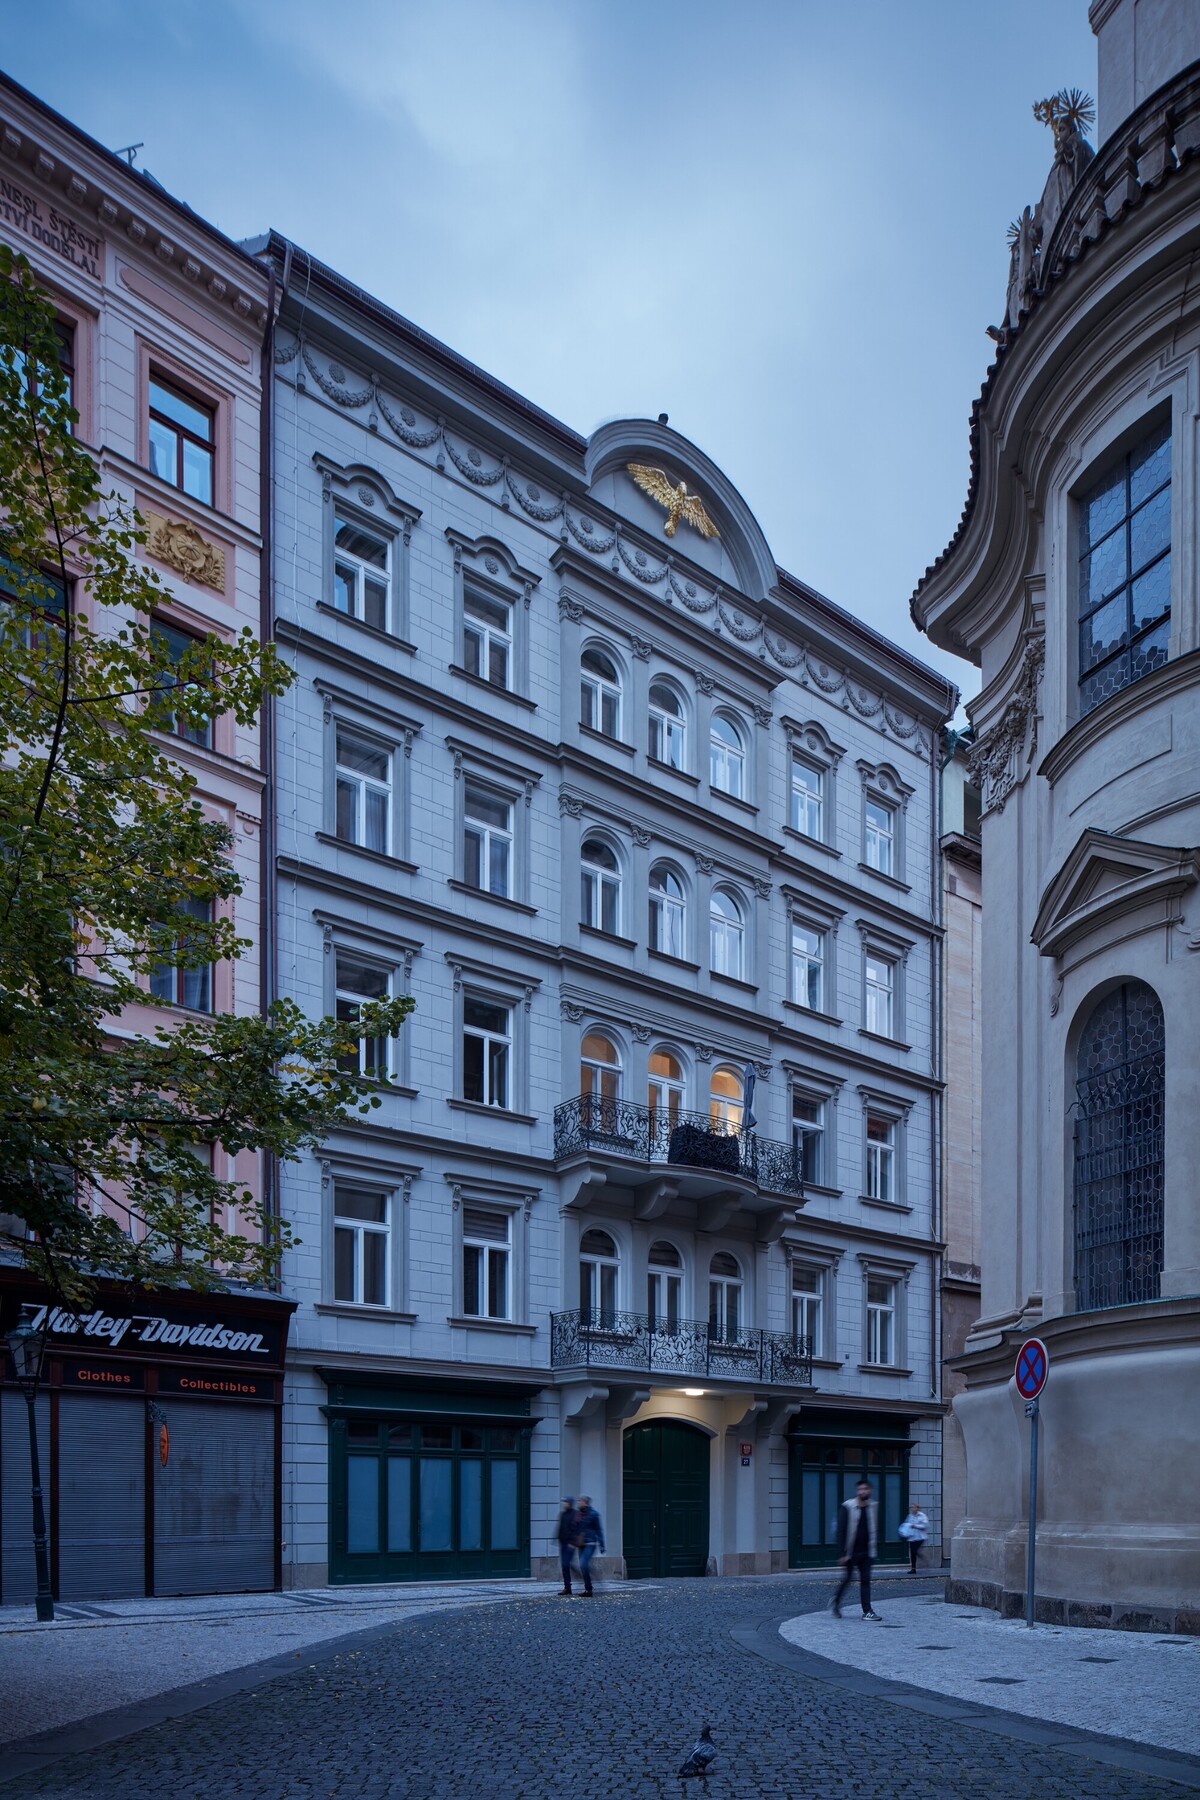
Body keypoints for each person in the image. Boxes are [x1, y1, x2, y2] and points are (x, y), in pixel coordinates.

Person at [831, 1478, 881, 1620]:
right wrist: (842, 1553)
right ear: (857, 1491)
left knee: (865, 1581)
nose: (863, 1491)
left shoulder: (873, 1506)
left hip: (867, 1551)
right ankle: (836, 1602)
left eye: (865, 1489)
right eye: (860, 1489)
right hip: (851, 1552)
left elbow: (875, 1527)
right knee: (848, 1579)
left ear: (869, 1491)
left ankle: (867, 1611)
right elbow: (841, 1531)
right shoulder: (848, 1507)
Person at [574, 1495, 605, 1596]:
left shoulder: (593, 1514)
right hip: (581, 1543)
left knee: (583, 1564)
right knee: (583, 1566)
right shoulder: (578, 1514)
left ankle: (590, 1586)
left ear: (585, 1502)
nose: (578, 1502)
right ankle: (588, 1589)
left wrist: (602, 1544)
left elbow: (598, 1530)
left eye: (580, 1501)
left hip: (590, 1543)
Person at [556, 1497, 578, 1596]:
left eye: (565, 1502)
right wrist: (558, 1539)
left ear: (570, 1503)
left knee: (566, 1564)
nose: (564, 1504)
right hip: (563, 1543)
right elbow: (560, 1528)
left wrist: (573, 1543)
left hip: (570, 1544)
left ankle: (576, 1577)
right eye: (563, 1502)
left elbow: (577, 1529)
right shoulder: (563, 1514)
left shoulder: (575, 1514)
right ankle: (567, 1587)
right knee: (564, 1565)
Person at [901, 1500, 929, 1574]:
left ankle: (922, 1558)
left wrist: (915, 1526)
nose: (912, 1509)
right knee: (912, 1553)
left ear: (918, 1508)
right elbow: (907, 1524)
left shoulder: (922, 1516)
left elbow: (925, 1526)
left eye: (914, 1507)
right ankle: (913, 1569)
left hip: (920, 1537)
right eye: (912, 1508)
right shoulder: (910, 1516)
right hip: (912, 1537)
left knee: (914, 1550)